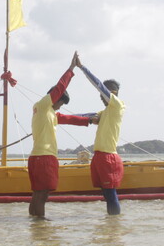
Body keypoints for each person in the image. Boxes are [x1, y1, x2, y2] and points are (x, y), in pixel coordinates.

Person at [28, 52, 98, 218]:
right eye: (60, 103)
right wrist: (71, 69)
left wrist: (89, 120)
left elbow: (69, 119)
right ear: (55, 99)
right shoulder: (44, 104)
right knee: (42, 194)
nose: (59, 108)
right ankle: (42, 227)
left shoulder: (47, 112)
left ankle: (35, 227)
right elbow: (60, 87)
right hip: (44, 157)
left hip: (37, 157)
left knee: (38, 194)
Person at [76, 55, 125, 215]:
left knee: (111, 194)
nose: (101, 97)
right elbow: (86, 116)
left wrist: (82, 67)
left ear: (114, 93)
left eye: (104, 94)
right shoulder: (105, 112)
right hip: (99, 157)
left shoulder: (117, 106)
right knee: (106, 194)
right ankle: (110, 227)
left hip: (109, 157)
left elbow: (98, 85)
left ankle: (114, 227)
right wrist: (56, 117)